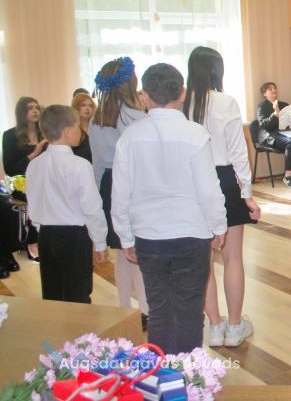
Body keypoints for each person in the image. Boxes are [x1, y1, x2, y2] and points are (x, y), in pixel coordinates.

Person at [112, 63, 228, 355]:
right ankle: (188, 373)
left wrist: (125, 237)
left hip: (148, 236)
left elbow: (120, 195)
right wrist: (219, 226)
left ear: (144, 96)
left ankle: (162, 372)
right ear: (183, 93)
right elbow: (208, 189)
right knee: (190, 310)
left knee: (159, 309)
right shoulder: (195, 134)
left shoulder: (129, 138)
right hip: (192, 234)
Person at [183, 46, 261, 348]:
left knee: (203, 260)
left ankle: (214, 326)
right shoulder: (226, 102)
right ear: (218, 70)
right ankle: (235, 325)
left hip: (193, 181)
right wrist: (247, 194)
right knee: (232, 258)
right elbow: (238, 152)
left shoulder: (182, 103)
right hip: (225, 179)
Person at [89, 57, 149, 328]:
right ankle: (145, 309)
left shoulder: (97, 119)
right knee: (138, 252)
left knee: (122, 250)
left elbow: (97, 165)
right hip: (134, 185)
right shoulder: (138, 117)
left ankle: (125, 306)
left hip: (108, 185)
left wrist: (96, 198)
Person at [26, 105, 108, 303]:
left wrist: (40, 229)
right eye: (78, 126)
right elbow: (92, 208)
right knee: (78, 295)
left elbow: (33, 204)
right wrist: (100, 241)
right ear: (67, 131)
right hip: (74, 237)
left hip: (46, 235)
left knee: (52, 294)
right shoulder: (80, 165)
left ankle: (56, 324)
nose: (81, 131)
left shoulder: (34, 164)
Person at [2, 96, 46, 261]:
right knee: (36, 195)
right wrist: (34, 153)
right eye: (30, 108)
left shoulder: (45, 133)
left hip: (42, 179)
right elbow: (10, 168)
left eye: (37, 107)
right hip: (19, 181)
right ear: (22, 112)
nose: (35, 111)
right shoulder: (9, 136)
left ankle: (48, 237)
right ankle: (32, 242)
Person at [256, 81, 291, 188]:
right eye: (270, 89)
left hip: (285, 133)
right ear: (264, 94)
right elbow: (264, 125)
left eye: (274, 88)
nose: (273, 90)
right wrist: (275, 114)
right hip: (269, 136)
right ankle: (288, 176)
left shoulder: (284, 105)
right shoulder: (262, 106)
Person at [70, 92, 96, 163]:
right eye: (83, 105)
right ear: (76, 107)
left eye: (90, 106)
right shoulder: (72, 129)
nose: (87, 108)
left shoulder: (96, 128)